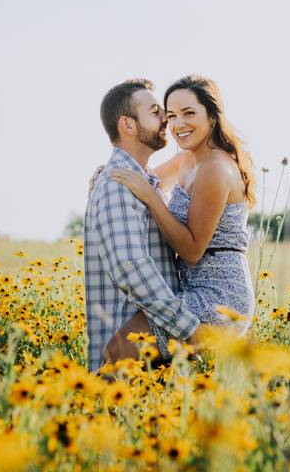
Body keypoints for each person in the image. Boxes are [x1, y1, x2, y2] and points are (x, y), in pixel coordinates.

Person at [103, 74, 256, 363]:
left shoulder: (215, 168)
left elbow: (192, 251)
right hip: (190, 288)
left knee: (118, 353)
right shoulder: (188, 158)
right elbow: (142, 177)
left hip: (220, 298)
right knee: (141, 368)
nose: (178, 125)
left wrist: (150, 196)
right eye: (171, 116)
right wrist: (108, 173)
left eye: (189, 113)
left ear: (212, 116)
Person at [83, 78, 200, 373]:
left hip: (151, 355)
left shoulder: (141, 181)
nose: (166, 118)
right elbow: (131, 267)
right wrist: (189, 329)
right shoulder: (117, 186)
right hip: (126, 365)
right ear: (128, 125)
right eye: (154, 112)